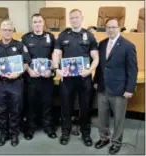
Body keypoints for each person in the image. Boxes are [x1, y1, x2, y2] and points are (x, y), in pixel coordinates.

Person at [52, 9, 99, 146]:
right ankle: (65, 133)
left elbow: (96, 58)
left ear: (82, 18)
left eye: (76, 17)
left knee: (85, 107)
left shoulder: (89, 36)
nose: (74, 20)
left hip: (84, 79)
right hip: (67, 79)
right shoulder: (63, 35)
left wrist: (90, 70)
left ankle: (86, 134)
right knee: (66, 107)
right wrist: (56, 69)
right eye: (71, 18)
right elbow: (56, 54)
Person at [93, 18, 138, 155]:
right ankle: (104, 138)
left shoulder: (128, 46)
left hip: (119, 90)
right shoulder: (101, 44)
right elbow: (101, 67)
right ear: (105, 29)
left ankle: (116, 142)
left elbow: (132, 70)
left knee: (118, 118)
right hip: (102, 88)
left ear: (119, 28)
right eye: (108, 27)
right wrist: (96, 81)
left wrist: (129, 89)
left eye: (113, 27)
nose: (111, 30)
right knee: (102, 116)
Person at [0, 19, 31, 147]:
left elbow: (26, 63)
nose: (7, 32)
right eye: (4, 30)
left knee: (15, 110)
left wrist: (17, 73)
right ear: (0, 31)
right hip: (1, 83)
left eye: (9, 30)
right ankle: (3, 134)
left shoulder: (19, 46)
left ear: (13, 31)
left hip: (16, 83)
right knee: (1, 111)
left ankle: (14, 135)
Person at [21, 13, 57, 140]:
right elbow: (23, 58)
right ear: (32, 24)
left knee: (47, 102)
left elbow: (56, 56)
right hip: (31, 78)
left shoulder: (51, 37)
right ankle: (30, 128)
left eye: (39, 21)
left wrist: (52, 69)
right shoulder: (25, 38)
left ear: (43, 23)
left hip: (47, 77)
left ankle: (48, 127)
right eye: (35, 22)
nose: (37, 24)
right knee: (31, 104)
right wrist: (29, 71)